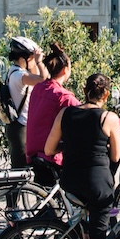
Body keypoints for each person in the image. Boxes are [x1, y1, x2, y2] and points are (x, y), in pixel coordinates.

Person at [44, 72, 120, 239]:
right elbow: (116, 156)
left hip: (70, 181)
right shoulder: (109, 118)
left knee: (83, 215)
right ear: (106, 94)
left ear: (84, 90)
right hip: (97, 184)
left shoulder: (65, 113)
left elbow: (49, 148)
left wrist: (71, 143)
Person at [25, 44, 80, 185]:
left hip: (34, 151)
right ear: (65, 70)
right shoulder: (63, 96)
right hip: (51, 155)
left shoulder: (39, 88)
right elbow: (89, 114)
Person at [2, 36, 44, 168]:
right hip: (21, 128)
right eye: (32, 57)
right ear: (26, 58)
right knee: (21, 171)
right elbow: (44, 80)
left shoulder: (14, 72)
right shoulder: (19, 76)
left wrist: (33, 62)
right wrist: (39, 62)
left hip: (19, 126)